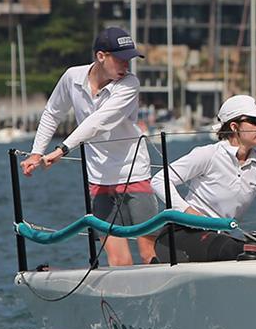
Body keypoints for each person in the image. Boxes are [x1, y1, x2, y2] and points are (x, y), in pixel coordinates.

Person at [20, 27, 157, 267]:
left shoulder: (129, 84)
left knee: (150, 253)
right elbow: (52, 113)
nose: (127, 65)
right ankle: (123, 303)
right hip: (98, 177)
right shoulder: (72, 77)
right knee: (117, 259)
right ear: (101, 56)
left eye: (130, 59)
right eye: (121, 59)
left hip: (133, 172)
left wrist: (62, 149)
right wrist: (36, 152)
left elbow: (99, 122)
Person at [150, 95, 256, 261]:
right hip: (179, 236)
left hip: (219, 240)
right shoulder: (208, 155)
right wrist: (187, 211)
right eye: (255, 121)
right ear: (234, 127)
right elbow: (159, 180)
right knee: (239, 251)